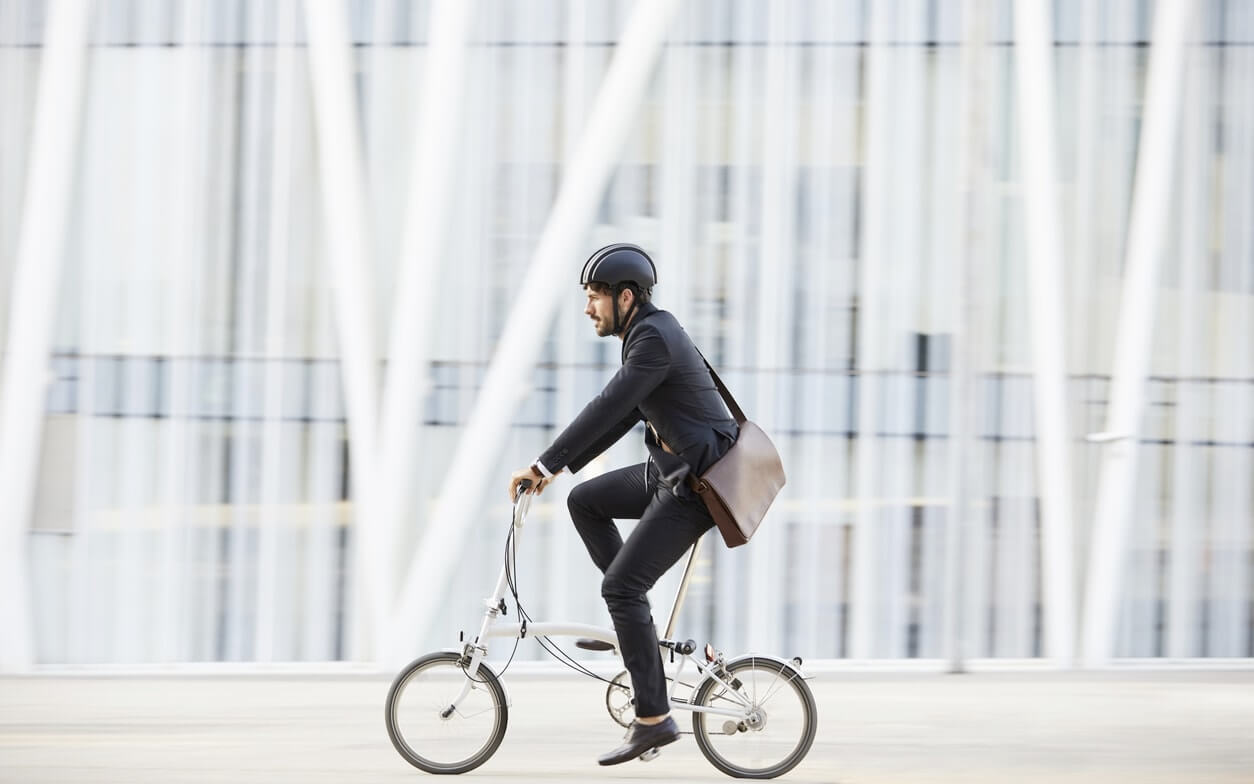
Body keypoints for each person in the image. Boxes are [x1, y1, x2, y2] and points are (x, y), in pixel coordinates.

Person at [508, 243, 738, 766]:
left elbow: (608, 404)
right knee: (586, 500)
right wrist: (555, 472)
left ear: (625, 296)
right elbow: (624, 415)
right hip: (670, 473)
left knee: (621, 586)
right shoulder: (646, 333)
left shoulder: (653, 339)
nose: (588, 308)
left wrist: (542, 464)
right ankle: (636, 632)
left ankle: (653, 719)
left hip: (698, 486)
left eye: (594, 297)